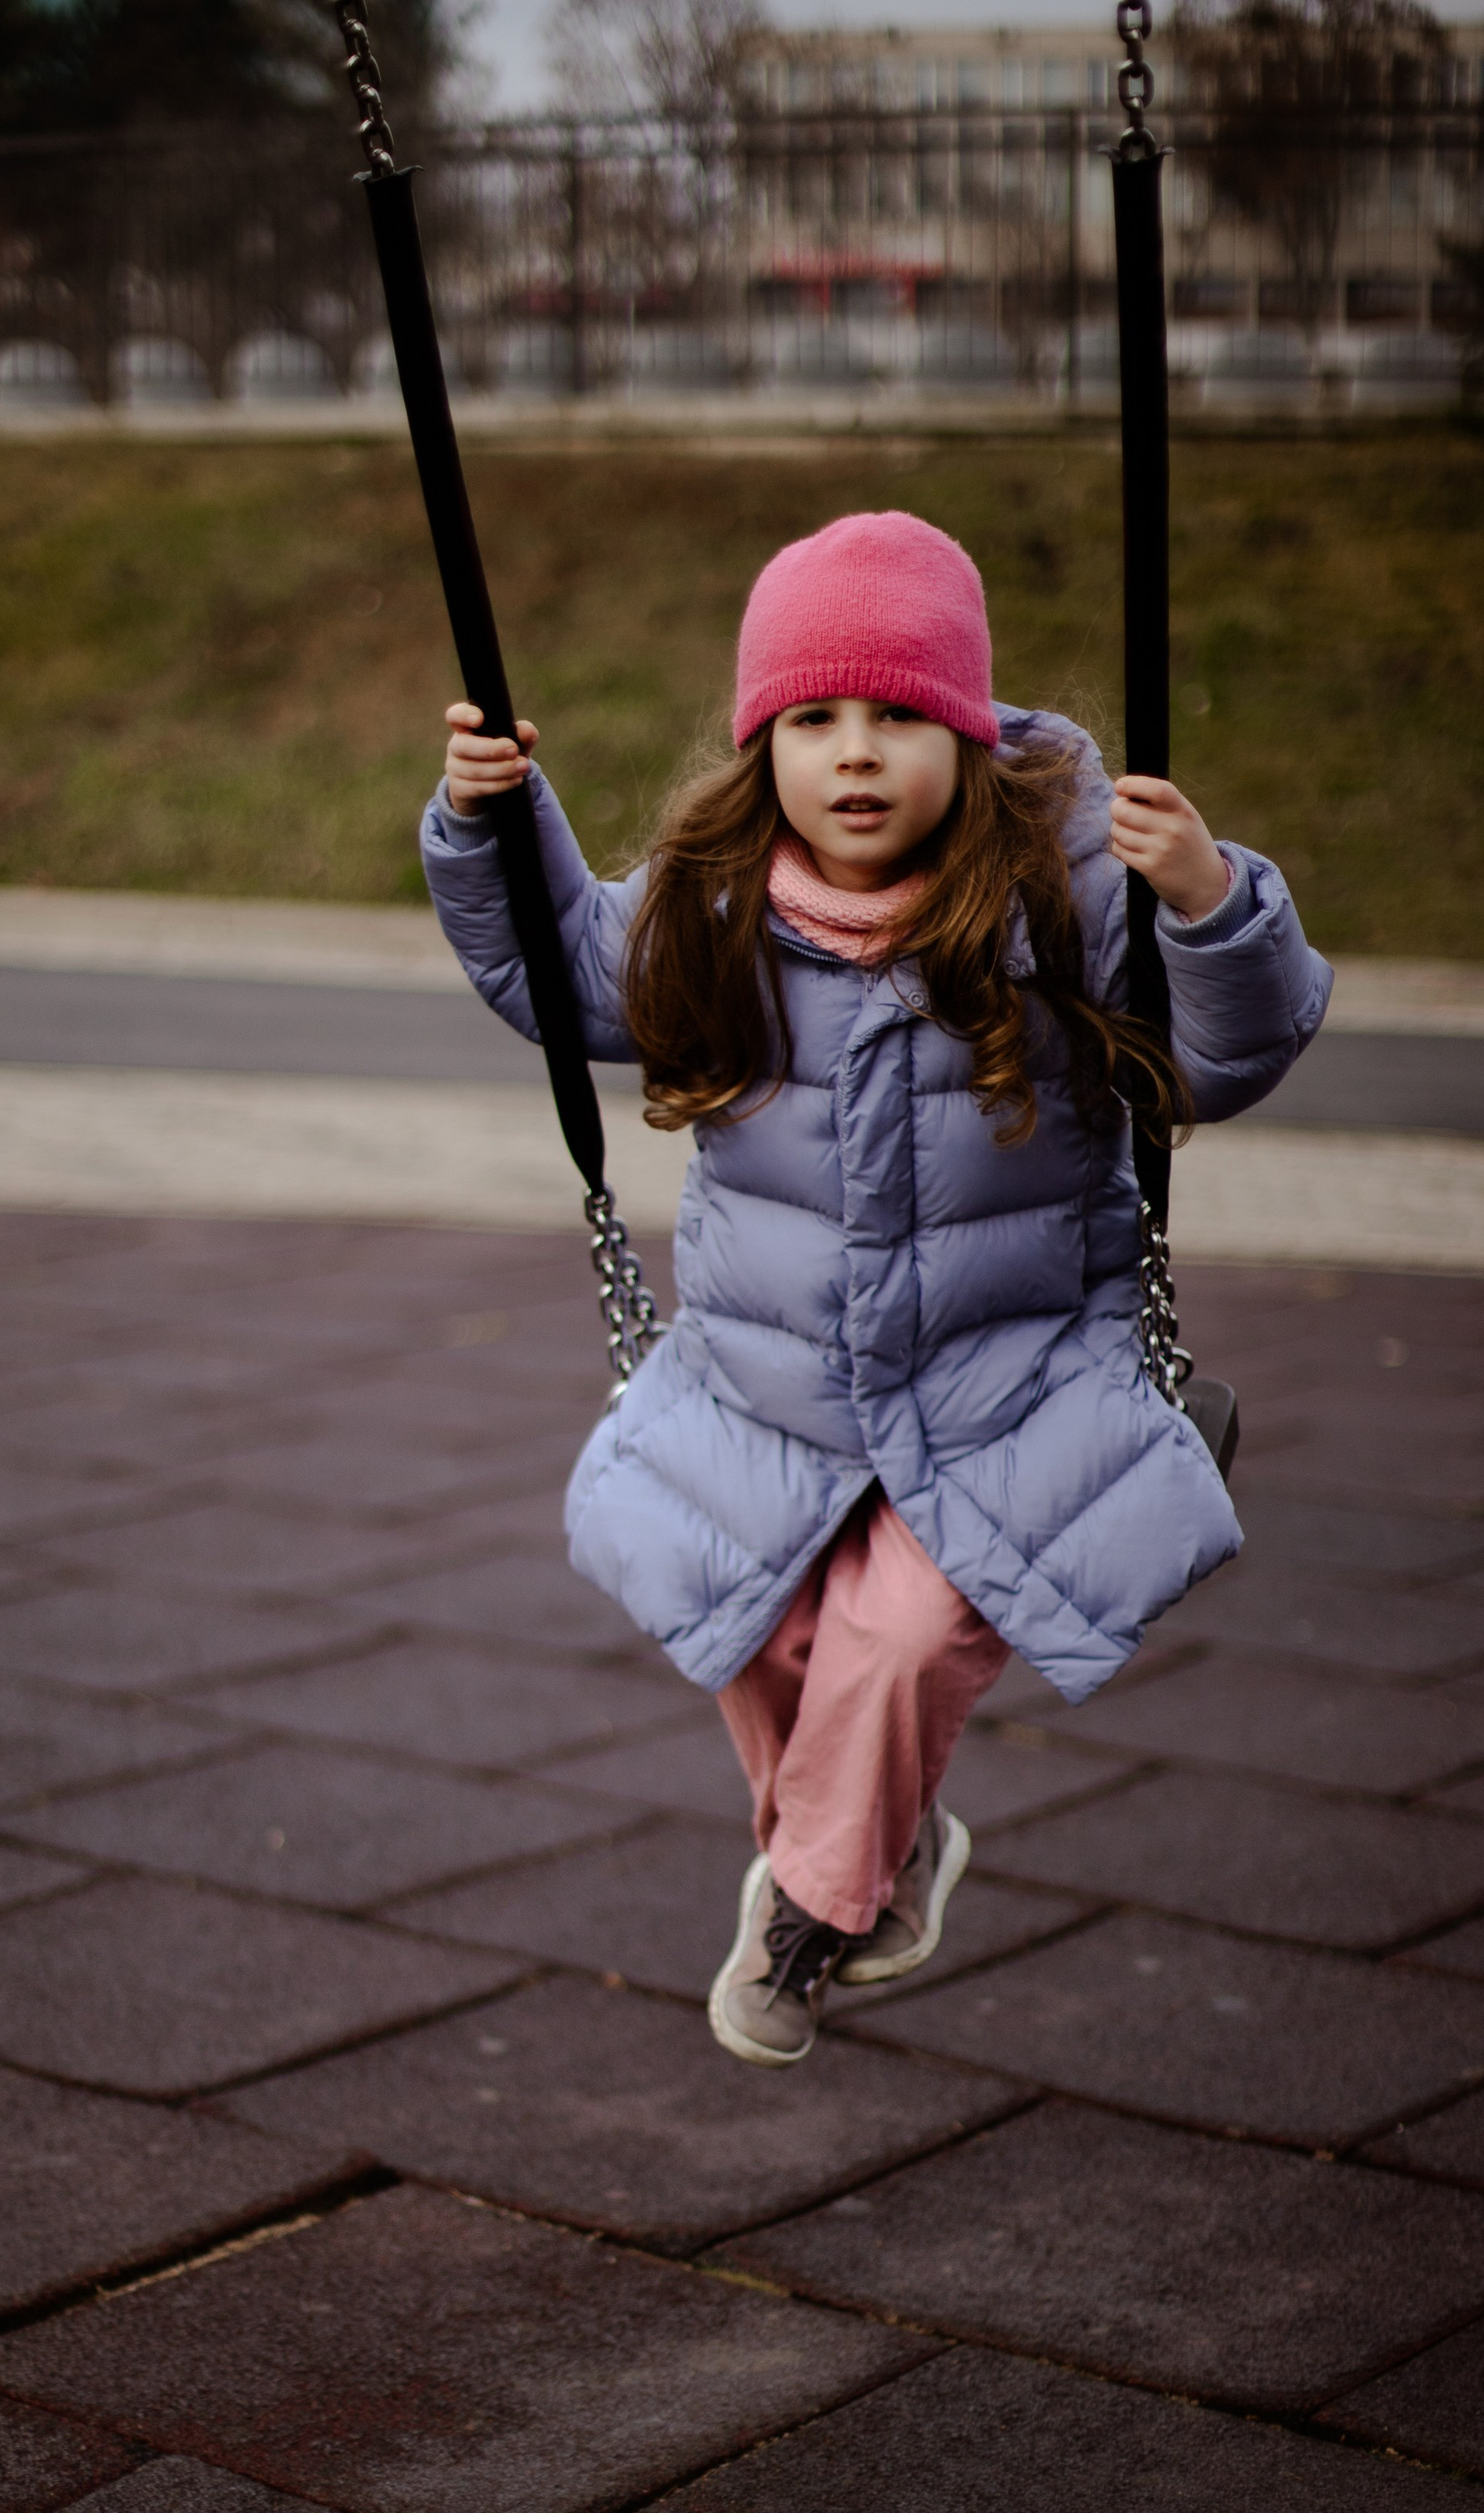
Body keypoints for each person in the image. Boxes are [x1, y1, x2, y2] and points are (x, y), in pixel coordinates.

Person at [422, 510, 1331, 2067]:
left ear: (966, 734)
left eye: (899, 716)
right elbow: (565, 972)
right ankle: (876, 1856)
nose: (856, 755)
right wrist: (487, 818)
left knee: (901, 1648)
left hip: (1014, 1382)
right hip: (772, 1381)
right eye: (814, 721)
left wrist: (1208, 903)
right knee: (755, 1630)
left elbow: (1226, 1051)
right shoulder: (711, 906)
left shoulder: (1065, 891)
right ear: (762, 742)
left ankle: (812, 1908)